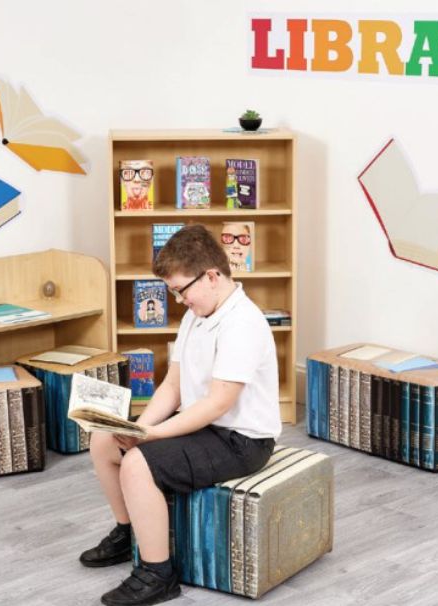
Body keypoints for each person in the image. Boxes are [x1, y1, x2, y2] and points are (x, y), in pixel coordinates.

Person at [82, 224, 281, 606]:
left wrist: (152, 437)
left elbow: (219, 403)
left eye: (180, 290)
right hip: (203, 425)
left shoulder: (243, 323)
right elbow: (172, 386)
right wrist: (137, 426)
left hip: (241, 440)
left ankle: (158, 575)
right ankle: (128, 533)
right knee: (104, 440)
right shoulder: (196, 314)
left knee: (137, 464)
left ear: (212, 276)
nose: (178, 300)